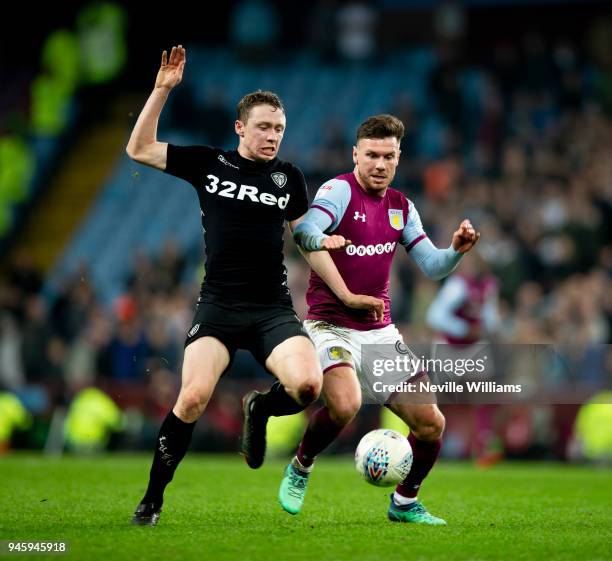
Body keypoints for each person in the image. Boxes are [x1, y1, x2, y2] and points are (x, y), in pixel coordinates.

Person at [125, 45, 381, 526]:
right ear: (240, 127)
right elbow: (138, 149)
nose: (273, 136)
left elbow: (306, 240)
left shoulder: (289, 178)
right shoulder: (208, 164)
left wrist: (345, 294)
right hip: (218, 307)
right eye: (264, 126)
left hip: (271, 310)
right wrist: (161, 91)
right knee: (193, 398)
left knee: (308, 386)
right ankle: (153, 497)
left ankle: (259, 408)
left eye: (279, 128)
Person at [280, 114, 480, 525]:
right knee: (345, 404)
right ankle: (301, 466)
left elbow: (432, 266)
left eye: (388, 156)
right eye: (371, 154)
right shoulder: (338, 191)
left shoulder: (402, 207)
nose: (380, 164)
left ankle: (404, 502)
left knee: (430, 423)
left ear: (398, 158)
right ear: (356, 154)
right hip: (330, 325)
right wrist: (322, 238)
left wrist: (456, 251)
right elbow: (303, 232)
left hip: (378, 331)